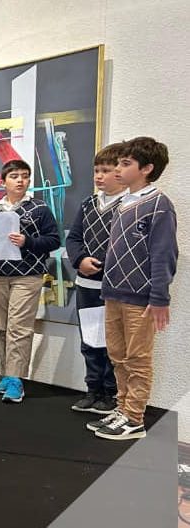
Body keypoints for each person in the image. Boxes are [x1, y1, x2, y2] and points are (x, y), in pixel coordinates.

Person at [88, 137, 177, 441]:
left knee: (138, 357)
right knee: (117, 354)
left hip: (141, 298)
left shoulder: (158, 205)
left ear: (147, 169)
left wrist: (160, 296)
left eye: (126, 164)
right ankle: (122, 407)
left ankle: (134, 417)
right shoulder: (123, 204)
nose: (118, 169)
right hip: (113, 292)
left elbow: (164, 253)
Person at [0, 159, 61, 403]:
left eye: (24, 176)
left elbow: (54, 240)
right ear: (3, 182)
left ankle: (17, 380)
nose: (20, 180)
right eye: (14, 176)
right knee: (2, 328)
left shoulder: (40, 208)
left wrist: (28, 241)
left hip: (27, 275)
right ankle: (6, 374)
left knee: (19, 327)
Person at [65, 143, 127, 414]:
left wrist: (103, 265)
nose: (99, 176)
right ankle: (93, 389)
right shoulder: (89, 203)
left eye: (106, 170)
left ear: (121, 172)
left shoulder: (128, 205)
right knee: (90, 339)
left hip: (114, 287)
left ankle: (111, 393)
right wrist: (80, 260)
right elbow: (74, 238)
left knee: (114, 342)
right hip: (86, 284)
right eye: (96, 171)